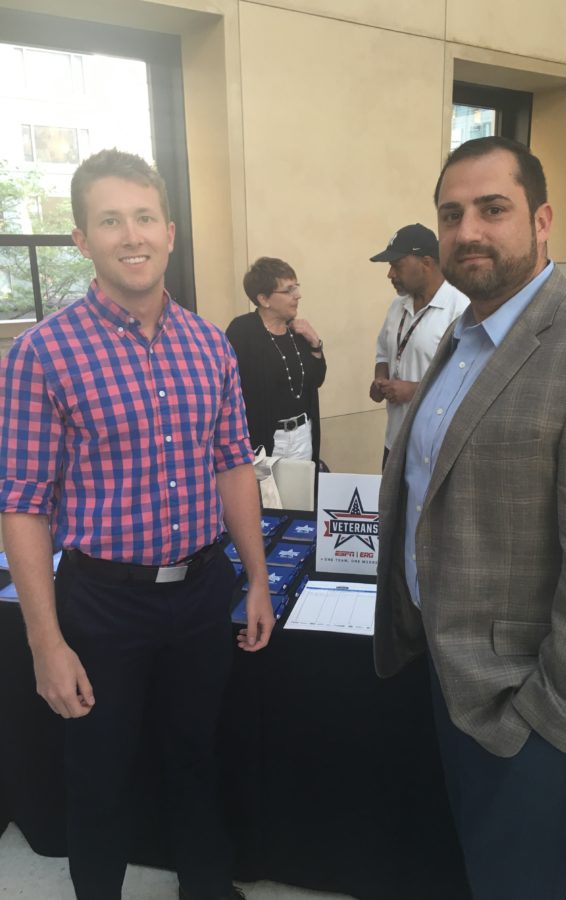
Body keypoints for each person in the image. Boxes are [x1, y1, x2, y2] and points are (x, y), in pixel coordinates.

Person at [374, 136, 566, 900]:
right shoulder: (463, 336)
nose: (467, 229)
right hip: (449, 671)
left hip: (525, 703)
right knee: (485, 871)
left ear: (541, 221)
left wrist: (547, 721)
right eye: (451, 213)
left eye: (492, 208)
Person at [0, 148, 274, 900]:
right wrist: (44, 641)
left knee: (196, 759)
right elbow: (21, 502)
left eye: (144, 217)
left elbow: (232, 466)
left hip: (199, 591)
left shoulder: (207, 343)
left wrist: (255, 579)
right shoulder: (40, 355)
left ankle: (207, 889)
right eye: (110, 220)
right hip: (101, 604)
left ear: (170, 232)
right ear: (82, 240)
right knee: (99, 777)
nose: (132, 234)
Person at [369, 223, 467, 468]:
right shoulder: (398, 305)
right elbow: (383, 351)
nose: (390, 274)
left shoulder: (461, 309)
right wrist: (380, 379)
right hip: (394, 442)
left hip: (433, 448)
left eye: (397, 265)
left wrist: (414, 391)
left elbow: (469, 379)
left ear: (426, 262)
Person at [226, 257, 326, 467]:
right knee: (267, 499)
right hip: (265, 441)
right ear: (264, 299)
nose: (298, 295)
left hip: (303, 436)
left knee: (301, 499)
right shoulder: (242, 331)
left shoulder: (297, 332)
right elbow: (229, 389)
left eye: (296, 287)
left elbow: (316, 378)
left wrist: (315, 343)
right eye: (289, 290)